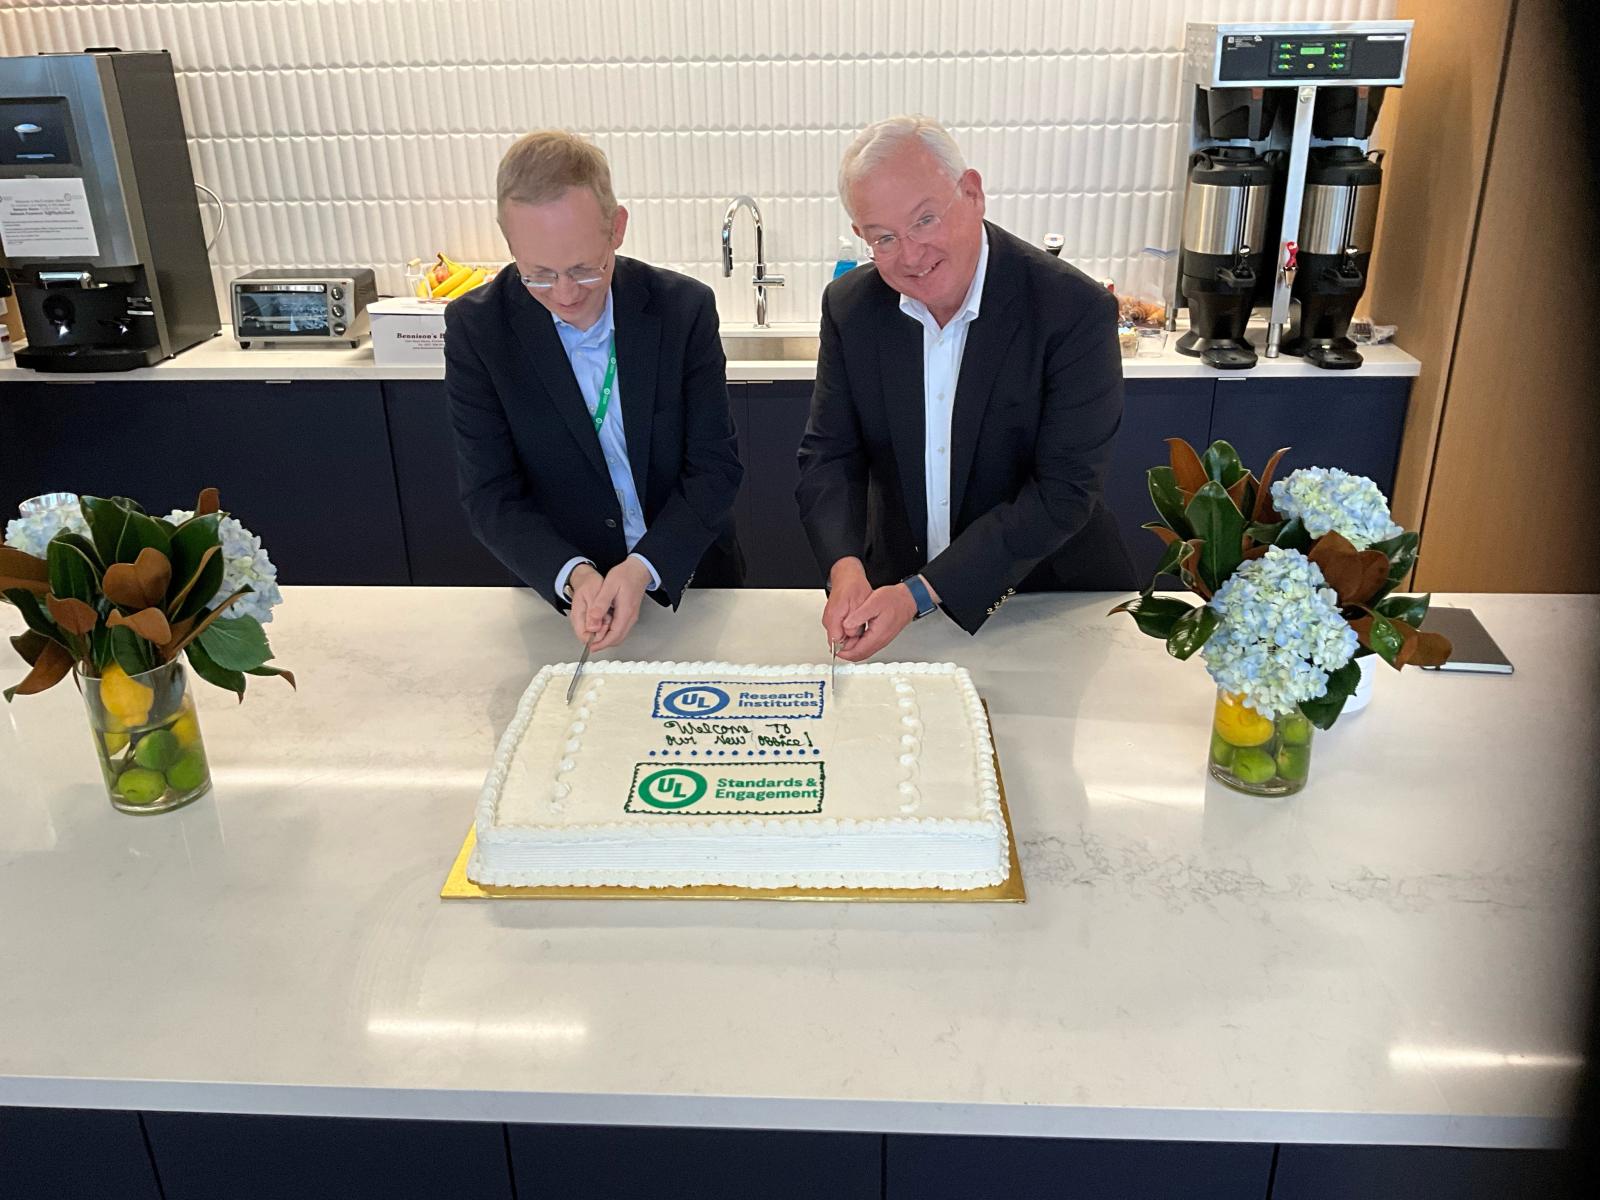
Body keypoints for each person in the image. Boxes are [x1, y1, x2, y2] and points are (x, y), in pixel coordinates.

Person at [796, 115, 1134, 661]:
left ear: (971, 193)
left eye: (925, 219)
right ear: (862, 236)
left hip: (1045, 600)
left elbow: (1064, 491)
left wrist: (922, 593)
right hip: (895, 602)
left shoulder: (1072, 310)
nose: (910, 254)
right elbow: (829, 454)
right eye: (884, 237)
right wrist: (845, 567)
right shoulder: (851, 309)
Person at [445, 131, 743, 652]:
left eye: (585, 269)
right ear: (509, 243)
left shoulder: (682, 310)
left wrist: (644, 567)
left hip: (689, 585)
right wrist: (575, 576)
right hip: (564, 604)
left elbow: (715, 468)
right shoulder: (479, 330)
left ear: (617, 228)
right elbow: (491, 494)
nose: (564, 294)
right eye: (538, 274)